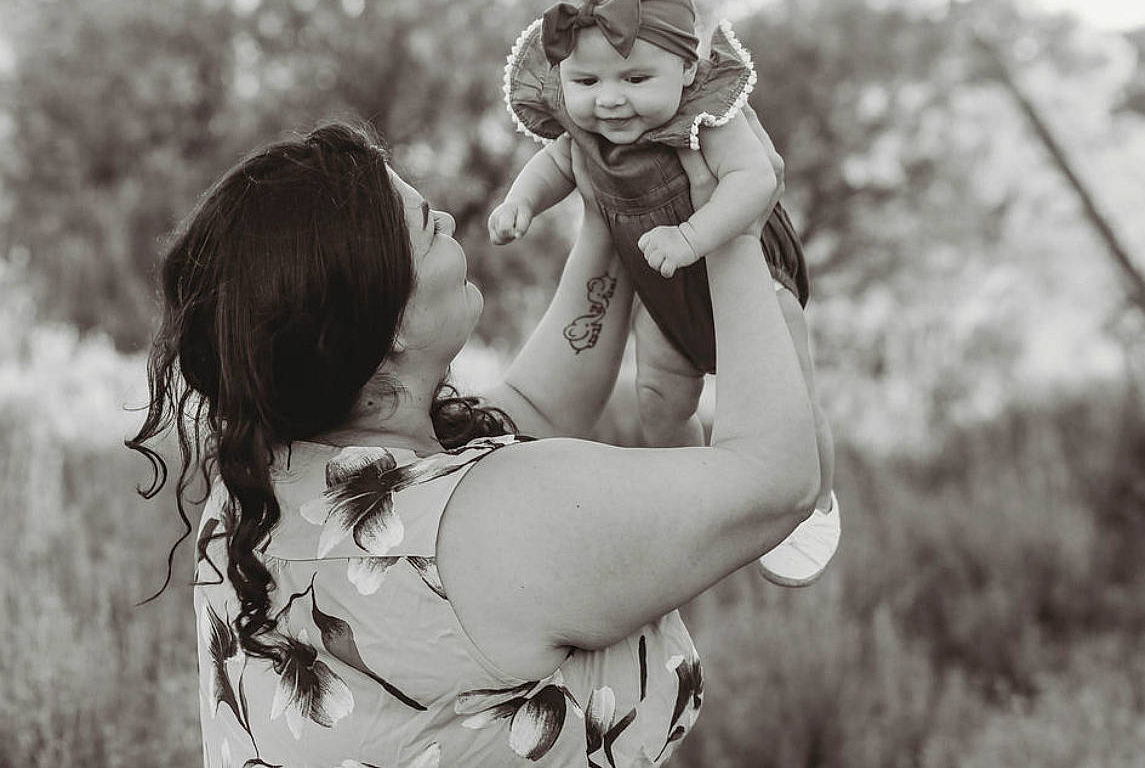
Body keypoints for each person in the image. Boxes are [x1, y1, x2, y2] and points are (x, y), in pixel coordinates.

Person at [128, 120, 828, 767]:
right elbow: (778, 480)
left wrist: (613, 196)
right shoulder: (484, 523)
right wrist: (730, 218)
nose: (448, 219)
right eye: (424, 226)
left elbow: (537, 406)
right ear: (388, 322)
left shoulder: (262, 488)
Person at [490, 0, 839, 586]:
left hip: (754, 286)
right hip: (666, 293)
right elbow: (555, 166)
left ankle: (813, 501)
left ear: (686, 67)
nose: (611, 102)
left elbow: (754, 181)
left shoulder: (706, 118)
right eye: (587, 83)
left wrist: (693, 235)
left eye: (633, 79)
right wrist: (521, 204)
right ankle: (700, 501)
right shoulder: (585, 135)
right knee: (658, 400)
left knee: (793, 400)